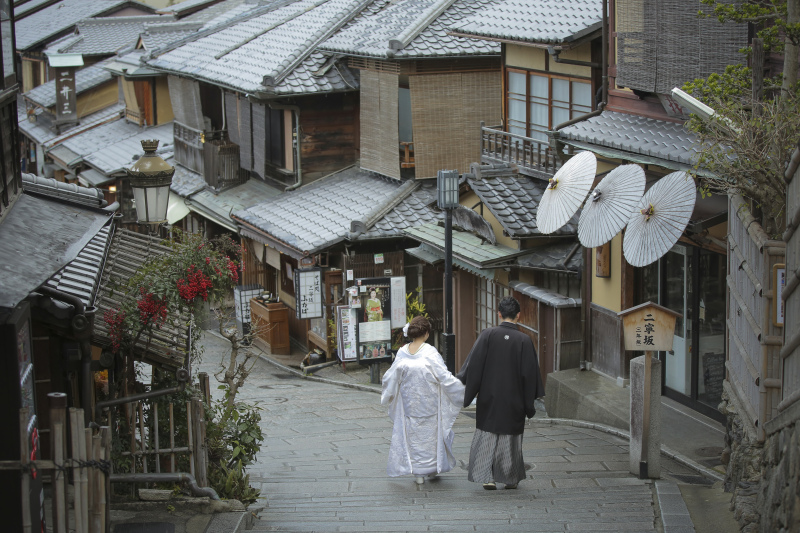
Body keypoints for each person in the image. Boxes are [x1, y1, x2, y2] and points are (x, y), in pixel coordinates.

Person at [457, 296, 544, 490]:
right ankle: (510, 477)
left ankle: (487, 477)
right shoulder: (524, 340)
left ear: (499, 314)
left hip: (489, 397)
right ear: (518, 315)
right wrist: (528, 404)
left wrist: (467, 389)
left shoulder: (487, 335)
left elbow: (474, 365)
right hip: (514, 399)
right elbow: (530, 375)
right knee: (510, 439)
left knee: (488, 436)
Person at [381, 316, 465, 485]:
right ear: (426, 333)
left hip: (410, 405)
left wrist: (388, 395)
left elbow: (391, 376)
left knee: (414, 438)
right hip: (429, 403)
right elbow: (444, 377)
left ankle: (419, 472)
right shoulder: (430, 352)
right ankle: (432, 468)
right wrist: (462, 391)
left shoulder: (402, 352)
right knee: (431, 438)